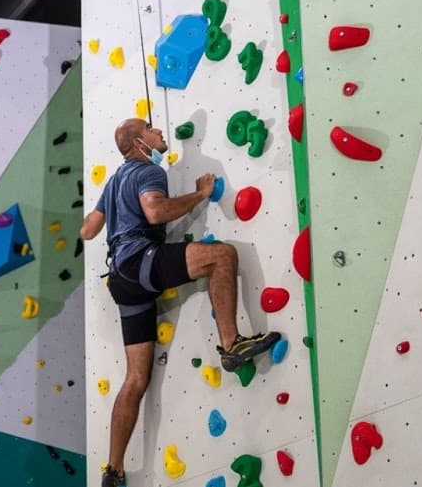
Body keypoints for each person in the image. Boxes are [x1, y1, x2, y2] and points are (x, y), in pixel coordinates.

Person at [81, 118, 281, 487]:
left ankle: (113, 470)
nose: (158, 132)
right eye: (150, 128)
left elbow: (88, 230)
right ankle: (231, 344)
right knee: (221, 257)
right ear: (140, 143)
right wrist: (199, 195)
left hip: (121, 281)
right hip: (139, 260)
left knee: (136, 378)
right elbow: (156, 212)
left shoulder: (113, 182)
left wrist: (115, 214)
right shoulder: (146, 171)